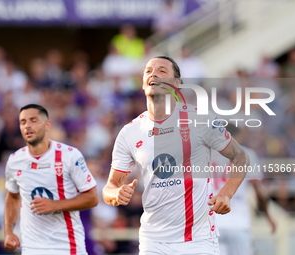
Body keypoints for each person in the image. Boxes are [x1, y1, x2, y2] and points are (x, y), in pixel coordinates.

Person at [102, 56, 249, 254]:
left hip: (197, 239)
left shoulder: (200, 120)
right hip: (153, 241)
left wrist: (226, 193)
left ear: (177, 83)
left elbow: (240, 157)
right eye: (148, 71)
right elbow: (110, 187)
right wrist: (115, 194)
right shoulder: (129, 132)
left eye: (162, 70)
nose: (153, 74)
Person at [4, 104, 98, 255]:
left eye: (33, 120)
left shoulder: (70, 156)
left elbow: (92, 198)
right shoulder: (15, 160)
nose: (27, 126)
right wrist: (9, 231)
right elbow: (13, 196)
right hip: (32, 248)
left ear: (47, 125)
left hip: (67, 247)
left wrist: (56, 205)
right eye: (23, 122)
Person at [212, 124, 276, 255]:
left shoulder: (207, 153)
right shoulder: (247, 154)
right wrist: (268, 216)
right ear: (237, 136)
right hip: (238, 223)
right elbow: (258, 190)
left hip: (212, 222)